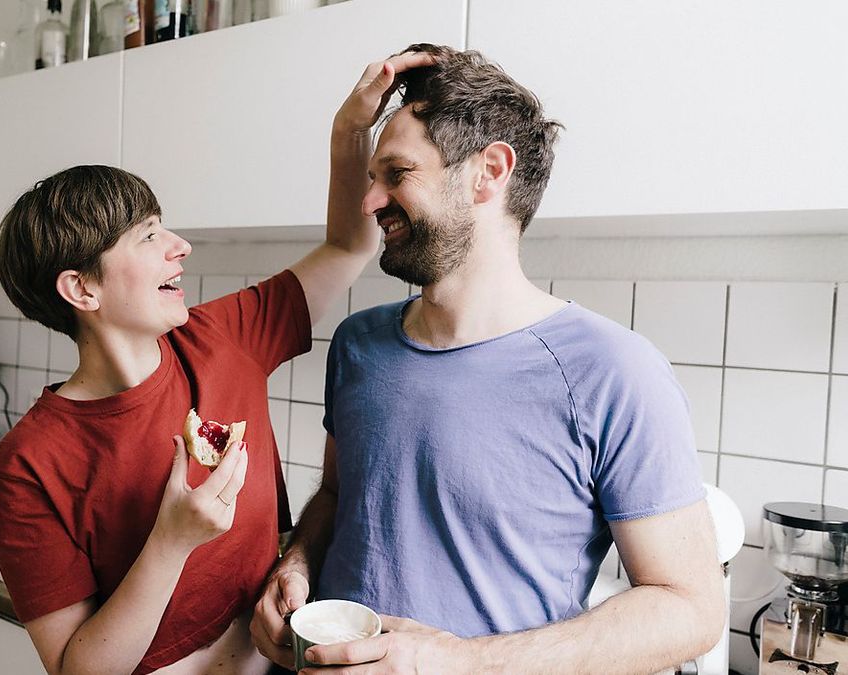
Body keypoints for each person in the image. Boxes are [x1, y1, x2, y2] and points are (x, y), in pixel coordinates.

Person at [250, 44, 725, 674]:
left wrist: (461, 662)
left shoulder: (614, 371)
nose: (371, 202)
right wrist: (299, 559)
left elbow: (690, 607)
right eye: (372, 178)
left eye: (396, 174)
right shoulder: (358, 344)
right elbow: (341, 493)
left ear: (489, 172)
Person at [0, 52, 435, 675]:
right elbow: (77, 667)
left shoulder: (225, 336)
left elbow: (347, 243)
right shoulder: (26, 467)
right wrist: (171, 541)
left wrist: (349, 132)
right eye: (147, 236)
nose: (179, 246)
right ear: (81, 291)